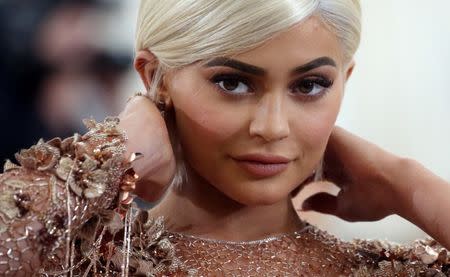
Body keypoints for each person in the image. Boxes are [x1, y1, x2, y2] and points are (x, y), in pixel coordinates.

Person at [0, 0, 449, 276]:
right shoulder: (77, 264)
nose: (272, 127)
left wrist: (408, 185)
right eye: (233, 83)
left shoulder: (395, 271)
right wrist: (116, 150)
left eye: (309, 85)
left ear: (344, 80)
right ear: (155, 77)